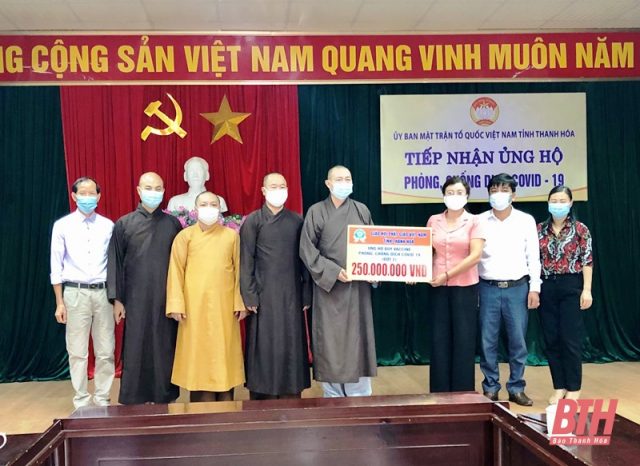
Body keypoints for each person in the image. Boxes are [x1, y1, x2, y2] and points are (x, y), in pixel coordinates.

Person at [299, 165, 377, 397]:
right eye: (339, 179)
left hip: (357, 290)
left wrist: (375, 270)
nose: (345, 183)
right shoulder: (316, 211)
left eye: (348, 179)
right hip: (329, 289)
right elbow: (306, 250)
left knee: (357, 339)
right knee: (330, 342)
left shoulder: (361, 210)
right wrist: (333, 271)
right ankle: (332, 395)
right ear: (328, 183)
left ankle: (360, 395)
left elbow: (376, 245)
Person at [107, 172, 182, 405]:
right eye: (148, 188)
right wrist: (117, 299)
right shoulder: (124, 224)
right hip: (135, 297)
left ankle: (164, 395)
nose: (153, 192)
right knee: (136, 345)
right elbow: (115, 262)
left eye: (158, 188)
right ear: (139, 190)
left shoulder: (172, 224)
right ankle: (134, 397)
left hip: (165, 297)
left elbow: (181, 263)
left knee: (164, 345)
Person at [166, 191, 246, 402]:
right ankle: (200, 403)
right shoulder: (185, 237)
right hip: (194, 308)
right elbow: (176, 271)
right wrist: (176, 304)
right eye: (204, 204)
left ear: (219, 209)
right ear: (195, 209)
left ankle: (226, 401)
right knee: (198, 355)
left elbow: (240, 270)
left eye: (213, 204)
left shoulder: (231, 236)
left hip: (224, 307)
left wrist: (240, 302)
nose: (209, 208)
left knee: (223, 353)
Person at [240, 173, 312, 400]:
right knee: (263, 345)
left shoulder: (297, 221)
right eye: (273, 186)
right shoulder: (253, 221)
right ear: (263, 190)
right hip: (263, 296)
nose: (278, 190)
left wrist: (306, 295)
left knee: (291, 343)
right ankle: (262, 396)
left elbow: (305, 261)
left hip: (291, 294)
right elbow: (246, 260)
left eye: (282, 186)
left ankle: (291, 393)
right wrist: (249, 296)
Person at [50, 177, 115, 408]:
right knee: (77, 350)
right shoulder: (63, 226)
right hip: (75, 293)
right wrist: (59, 302)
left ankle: (103, 397)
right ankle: (81, 400)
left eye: (92, 193)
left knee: (106, 349)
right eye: (83, 193)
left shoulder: (108, 226)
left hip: (103, 293)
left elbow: (114, 263)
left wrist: (117, 299)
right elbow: (56, 265)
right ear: (74, 196)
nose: (88, 197)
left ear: (99, 196)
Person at [477, 173, 541, 406]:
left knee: (518, 341)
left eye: (504, 190)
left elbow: (533, 256)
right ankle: (490, 387)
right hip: (487, 287)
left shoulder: (525, 220)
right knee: (487, 341)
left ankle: (516, 387)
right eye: (494, 190)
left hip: (518, 288)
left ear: (514, 195)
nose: (499, 194)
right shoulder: (479, 221)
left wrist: (535, 287)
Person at [426, 176, 485, 392]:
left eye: (459, 192)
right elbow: (425, 251)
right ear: (443, 196)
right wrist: (414, 270)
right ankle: (439, 394)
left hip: (465, 288)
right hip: (437, 288)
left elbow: (475, 256)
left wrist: (447, 275)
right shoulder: (433, 220)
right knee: (439, 339)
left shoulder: (475, 221)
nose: (454, 196)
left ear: (467, 196)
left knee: (464, 340)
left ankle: (462, 394)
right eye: (450, 192)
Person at [537, 186, 593, 404]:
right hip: (546, 286)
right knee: (551, 339)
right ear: (548, 203)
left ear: (570, 203)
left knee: (570, 339)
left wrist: (586, 289)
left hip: (571, 285)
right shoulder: (540, 229)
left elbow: (587, 260)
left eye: (562, 201)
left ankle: (574, 388)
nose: (558, 204)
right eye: (554, 200)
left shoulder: (580, 229)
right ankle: (559, 386)